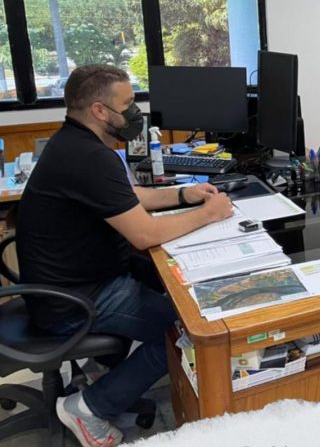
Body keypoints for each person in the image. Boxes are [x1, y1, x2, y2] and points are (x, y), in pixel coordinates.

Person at [16, 64, 234, 447]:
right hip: (75, 300)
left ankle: (104, 373)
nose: (134, 112)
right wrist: (209, 214)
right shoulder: (88, 157)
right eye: (128, 103)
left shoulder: (75, 143)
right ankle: (89, 407)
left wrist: (184, 195)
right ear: (100, 111)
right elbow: (145, 234)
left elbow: (127, 197)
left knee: (164, 285)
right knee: (185, 330)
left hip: (68, 282)